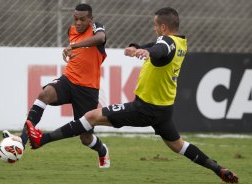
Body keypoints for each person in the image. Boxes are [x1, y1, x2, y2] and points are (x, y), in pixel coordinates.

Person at [25, 7, 238, 183]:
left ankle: (42, 139)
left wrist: (147, 53)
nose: (154, 30)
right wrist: (138, 48)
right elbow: (159, 45)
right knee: (178, 145)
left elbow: (159, 49)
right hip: (164, 110)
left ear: (163, 27)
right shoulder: (180, 42)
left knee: (91, 117)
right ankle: (218, 169)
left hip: (144, 108)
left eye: (155, 26)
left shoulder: (166, 43)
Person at [3, 3, 110, 168]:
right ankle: (22, 140)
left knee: (85, 138)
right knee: (44, 94)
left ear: (90, 19)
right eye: (76, 19)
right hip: (68, 80)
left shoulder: (97, 28)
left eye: (83, 19)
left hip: (88, 90)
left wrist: (74, 46)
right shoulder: (71, 30)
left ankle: (102, 151)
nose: (79, 23)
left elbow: (101, 38)